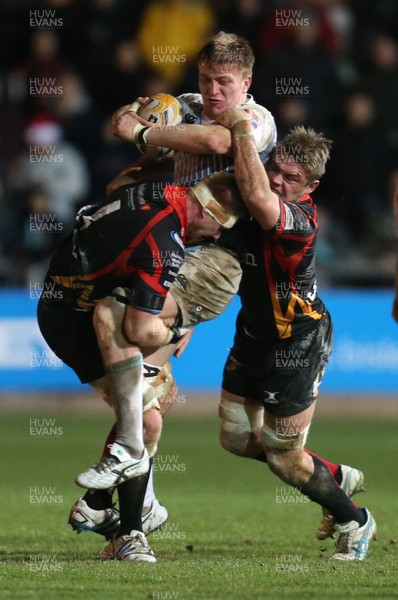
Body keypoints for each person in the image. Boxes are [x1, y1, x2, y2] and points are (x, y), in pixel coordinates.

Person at [38, 173, 244, 561]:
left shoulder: (157, 189)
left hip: (63, 297)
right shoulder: (165, 245)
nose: (217, 236)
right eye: (220, 224)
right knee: (147, 421)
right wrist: (180, 323)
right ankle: (130, 532)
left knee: (158, 399)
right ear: (203, 209)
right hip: (76, 322)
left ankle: (99, 505)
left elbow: (115, 186)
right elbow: (138, 328)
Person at [213, 110, 377, 561]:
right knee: (237, 439)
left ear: (310, 187)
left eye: (291, 177)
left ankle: (355, 520)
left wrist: (239, 126)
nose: (278, 181)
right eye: (274, 170)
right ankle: (332, 475)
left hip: (298, 340)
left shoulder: (297, 219)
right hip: (252, 335)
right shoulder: (256, 192)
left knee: (284, 457)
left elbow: (255, 195)